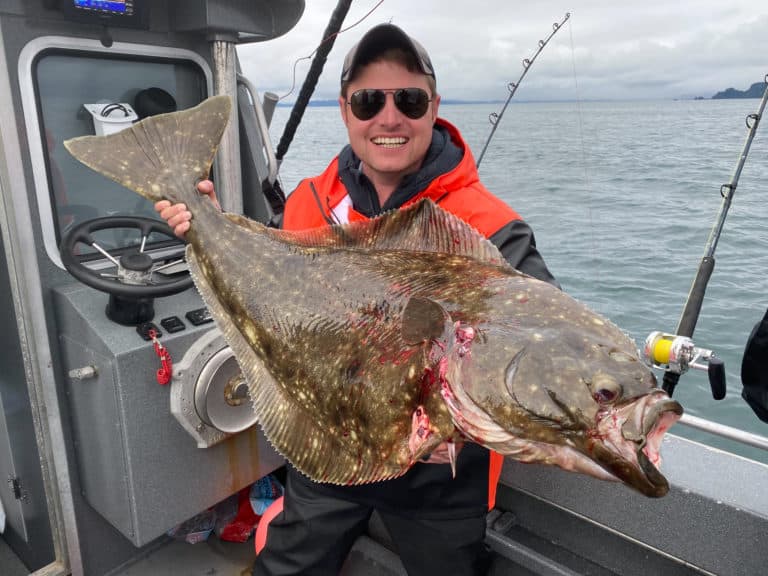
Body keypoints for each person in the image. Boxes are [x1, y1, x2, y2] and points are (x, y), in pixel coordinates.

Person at [157, 23, 558, 576]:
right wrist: (203, 220)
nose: (389, 118)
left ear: (433, 107)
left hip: (439, 471)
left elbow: (540, 346)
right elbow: (270, 286)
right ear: (346, 112)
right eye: (369, 101)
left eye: (409, 100)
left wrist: (466, 427)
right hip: (329, 438)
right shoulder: (308, 201)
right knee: (288, 565)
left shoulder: (491, 228)